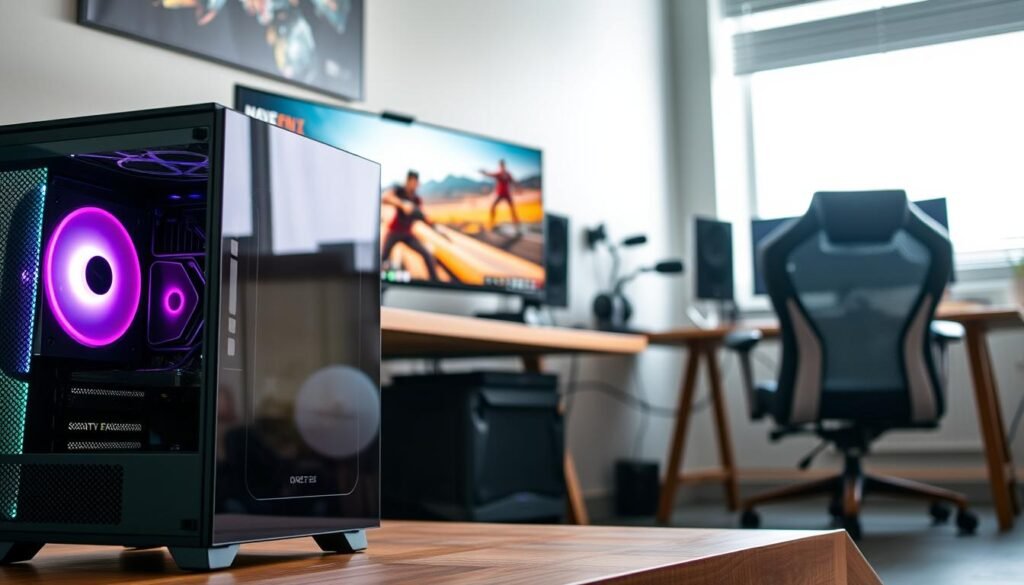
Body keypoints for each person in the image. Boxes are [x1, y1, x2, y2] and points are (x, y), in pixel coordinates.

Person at [381, 171, 439, 281]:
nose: (415, 185)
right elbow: (385, 198)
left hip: (407, 234)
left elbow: (422, 216)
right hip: (393, 232)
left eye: (416, 182)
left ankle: (435, 282)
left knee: (426, 254)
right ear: (408, 181)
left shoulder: (417, 199)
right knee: (383, 258)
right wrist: (402, 204)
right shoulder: (399, 191)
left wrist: (429, 221)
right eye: (413, 182)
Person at [480, 159, 520, 232]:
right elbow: (490, 174)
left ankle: (517, 226)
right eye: (501, 165)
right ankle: (492, 223)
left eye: (502, 165)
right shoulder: (498, 174)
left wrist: (518, 188)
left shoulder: (508, 174)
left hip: (507, 194)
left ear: (504, 165)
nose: (502, 166)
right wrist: (484, 173)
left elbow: (514, 182)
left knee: (512, 210)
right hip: (499, 194)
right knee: (493, 207)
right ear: (500, 166)